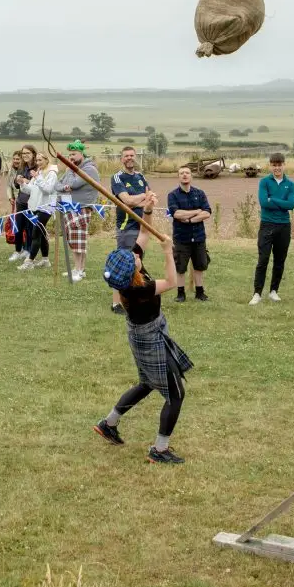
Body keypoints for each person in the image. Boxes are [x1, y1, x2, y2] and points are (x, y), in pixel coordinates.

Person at [95, 215, 193, 464]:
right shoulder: (139, 290)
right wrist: (168, 250)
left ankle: (108, 424)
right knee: (176, 394)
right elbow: (171, 281)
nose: (136, 255)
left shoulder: (127, 274)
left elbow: (143, 234)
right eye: (134, 258)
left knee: (147, 382)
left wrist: (147, 211)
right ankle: (160, 450)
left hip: (140, 336)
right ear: (133, 270)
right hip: (151, 340)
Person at [249, 153, 294, 305]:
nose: (277, 168)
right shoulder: (264, 182)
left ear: (284, 165)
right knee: (263, 259)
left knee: (279, 260)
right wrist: (281, 202)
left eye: (279, 165)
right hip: (267, 225)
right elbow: (264, 203)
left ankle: (274, 291)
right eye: (274, 165)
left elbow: (291, 205)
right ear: (270, 166)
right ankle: (257, 293)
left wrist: (273, 199)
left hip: (284, 226)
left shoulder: (290, 184)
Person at [110, 146, 150, 315]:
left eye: (131, 155)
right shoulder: (117, 177)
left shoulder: (141, 177)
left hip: (142, 228)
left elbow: (150, 198)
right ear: (122, 159)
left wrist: (137, 200)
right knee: (123, 264)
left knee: (136, 264)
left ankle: (131, 299)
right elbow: (127, 201)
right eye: (126, 156)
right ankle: (116, 303)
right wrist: (139, 199)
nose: (129, 158)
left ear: (135, 157)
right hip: (127, 228)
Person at [167, 165, 212, 303]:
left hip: (199, 237)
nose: (185, 175)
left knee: (200, 265)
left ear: (191, 176)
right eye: (182, 173)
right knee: (180, 267)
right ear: (178, 177)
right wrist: (197, 211)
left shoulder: (200, 193)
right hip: (181, 237)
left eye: (187, 173)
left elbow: (207, 212)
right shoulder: (173, 195)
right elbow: (176, 213)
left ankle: (200, 293)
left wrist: (190, 219)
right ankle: (181, 294)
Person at [58, 140, 101, 282]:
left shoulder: (88, 169)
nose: (71, 157)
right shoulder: (73, 169)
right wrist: (64, 187)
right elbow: (57, 185)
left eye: (74, 154)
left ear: (81, 154)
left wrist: (69, 172)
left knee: (78, 241)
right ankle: (79, 270)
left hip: (81, 208)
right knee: (75, 240)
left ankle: (79, 270)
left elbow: (74, 184)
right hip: (70, 207)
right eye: (69, 154)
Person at [16, 151, 58, 270]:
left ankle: (29, 261)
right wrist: (22, 184)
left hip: (46, 207)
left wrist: (38, 177)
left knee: (36, 233)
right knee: (42, 234)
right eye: (37, 160)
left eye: (40, 160)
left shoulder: (52, 173)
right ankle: (45, 260)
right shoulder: (39, 172)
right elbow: (31, 190)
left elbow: (48, 189)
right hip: (36, 206)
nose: (38, 163)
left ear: (47, 160)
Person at [7, 144, 37, 262]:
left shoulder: (37, 167)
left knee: (30, 228)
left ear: (33, 154)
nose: (25, 155)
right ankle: (17, 251)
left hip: (33, 202)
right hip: (21, 201)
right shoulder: (21, 167)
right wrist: (17, 180)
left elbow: (38, 184)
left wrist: (26, 181)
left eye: (27, 153)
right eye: (23, 153)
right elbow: (16, 185)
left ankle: (28, 250)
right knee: (18, 227)